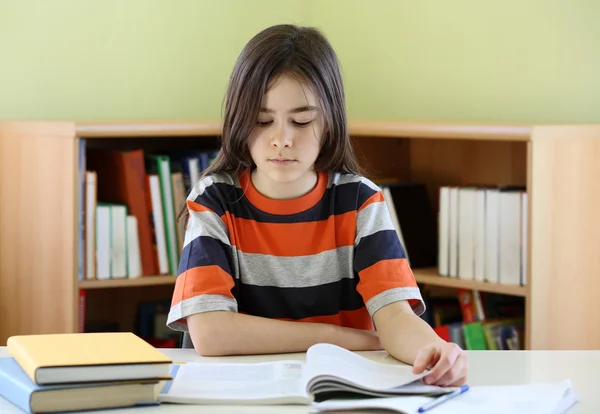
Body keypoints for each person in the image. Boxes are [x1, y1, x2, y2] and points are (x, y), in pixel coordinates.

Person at [166, 24, 467, 387]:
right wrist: (346, 339)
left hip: (336, 389)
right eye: (262, 121)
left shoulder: (360, 202)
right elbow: (212, 334)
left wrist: (435, 352)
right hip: (244, 393)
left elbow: (395, 317)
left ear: (329, 122)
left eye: (302, 120)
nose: (282, 139)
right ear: (238, 121)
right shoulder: (214, 201)